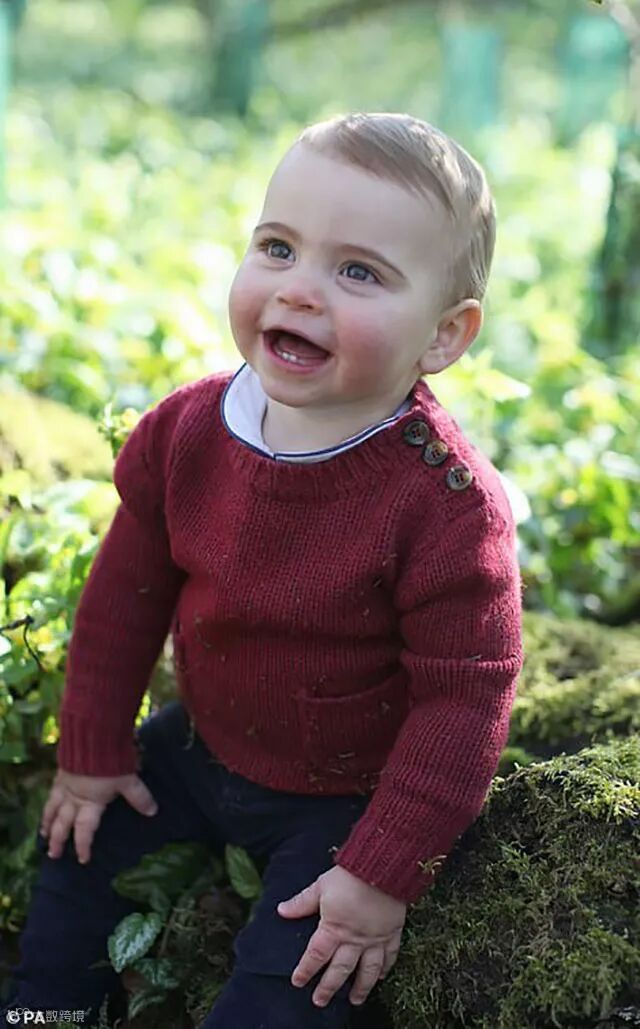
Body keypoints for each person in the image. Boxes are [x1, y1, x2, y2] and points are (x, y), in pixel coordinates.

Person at [2, 111, 524, 1029]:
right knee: (77, 860)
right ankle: (45, 1011)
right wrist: (92, 750)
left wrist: (381, 872)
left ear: (444, 335)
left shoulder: (445, 505)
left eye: (358, 271)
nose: (299, 289)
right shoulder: (191, 431)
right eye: (278, 248)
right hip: (199, 742)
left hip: (349, 792)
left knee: (300, 974)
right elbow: (124, 598)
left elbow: (466, 697)